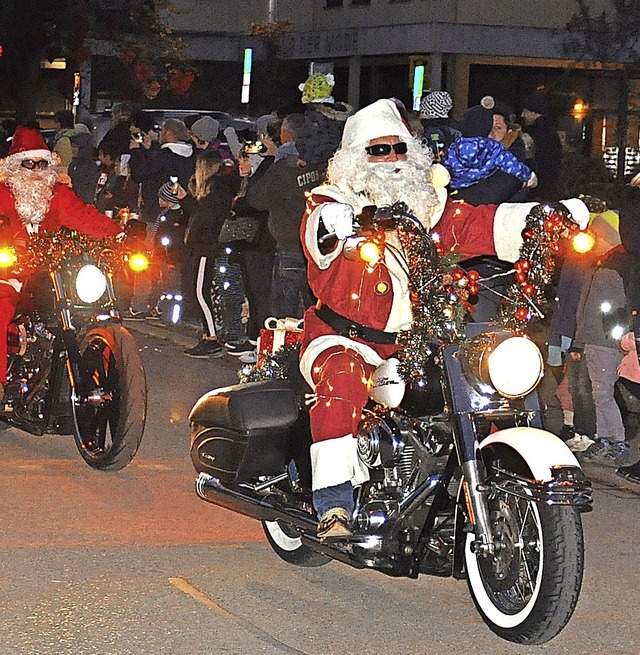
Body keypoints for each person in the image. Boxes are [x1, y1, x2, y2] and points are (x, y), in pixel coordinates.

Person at [299, 98, 589, 540]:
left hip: (423, 337)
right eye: (378, 150)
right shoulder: (333, 203)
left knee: (483, 386)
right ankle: (333, 503)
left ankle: (479, 485)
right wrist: (340, 223)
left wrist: (544, 216)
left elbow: (481, 224)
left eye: (398, 149)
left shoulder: (428, 206)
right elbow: (319, 232)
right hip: (346, 339)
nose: (391, 159)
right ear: (356, 157)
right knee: (342, 382)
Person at [0, 126, 122, 398]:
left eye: (41, 163)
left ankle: (106, 380)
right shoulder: (2, 194)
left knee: (87, 310)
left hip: (51, 273)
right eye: (27, 163)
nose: (34, 170)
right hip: (9, 273)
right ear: (15, 166)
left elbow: (85, 217)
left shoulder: (57, 194)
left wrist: (120, 236)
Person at [243, 113, 318, 320]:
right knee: (313, 310)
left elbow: (256, 199)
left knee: (284, 314)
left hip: (289, 247)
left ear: (285, 134)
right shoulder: (319, 162)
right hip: (316, 248)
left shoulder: (283, 168)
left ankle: (285, 350)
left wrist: (271, 162)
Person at [180, 150, 241, 358]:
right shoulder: (214, 191)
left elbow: (205, 218)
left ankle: (212, 338)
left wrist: (185, 200)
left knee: (200, 292)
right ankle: (208, 334)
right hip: (201, 245)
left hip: (205, 246)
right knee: (197, 291)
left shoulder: (217, 190)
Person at [443, 96, 538, 206]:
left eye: (497, 128)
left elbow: (490, 194)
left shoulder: (516, 158)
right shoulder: (458, 149)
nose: (490, 134)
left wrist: (457, 194)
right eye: (487, 128)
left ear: (509, 131)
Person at [521, 90, 563, 200]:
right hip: (549, 184)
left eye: (526, 111)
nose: (522, 115)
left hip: (535, 185)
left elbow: (532, 158)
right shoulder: (551, 131)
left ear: (535, 113)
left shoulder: (533, 134)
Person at [419, 90, 461, 161]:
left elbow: (436, 150)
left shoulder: (433, 130)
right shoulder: (454, 125)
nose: (420, 114)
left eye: (422, 110)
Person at [68, 132, 100, 205]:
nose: (73, 150)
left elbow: (89, 189)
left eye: (75, 147)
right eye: (72, 146)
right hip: (71, 202)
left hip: (83, 204)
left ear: (83, 148)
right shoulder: (72, 164)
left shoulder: (91, 167)